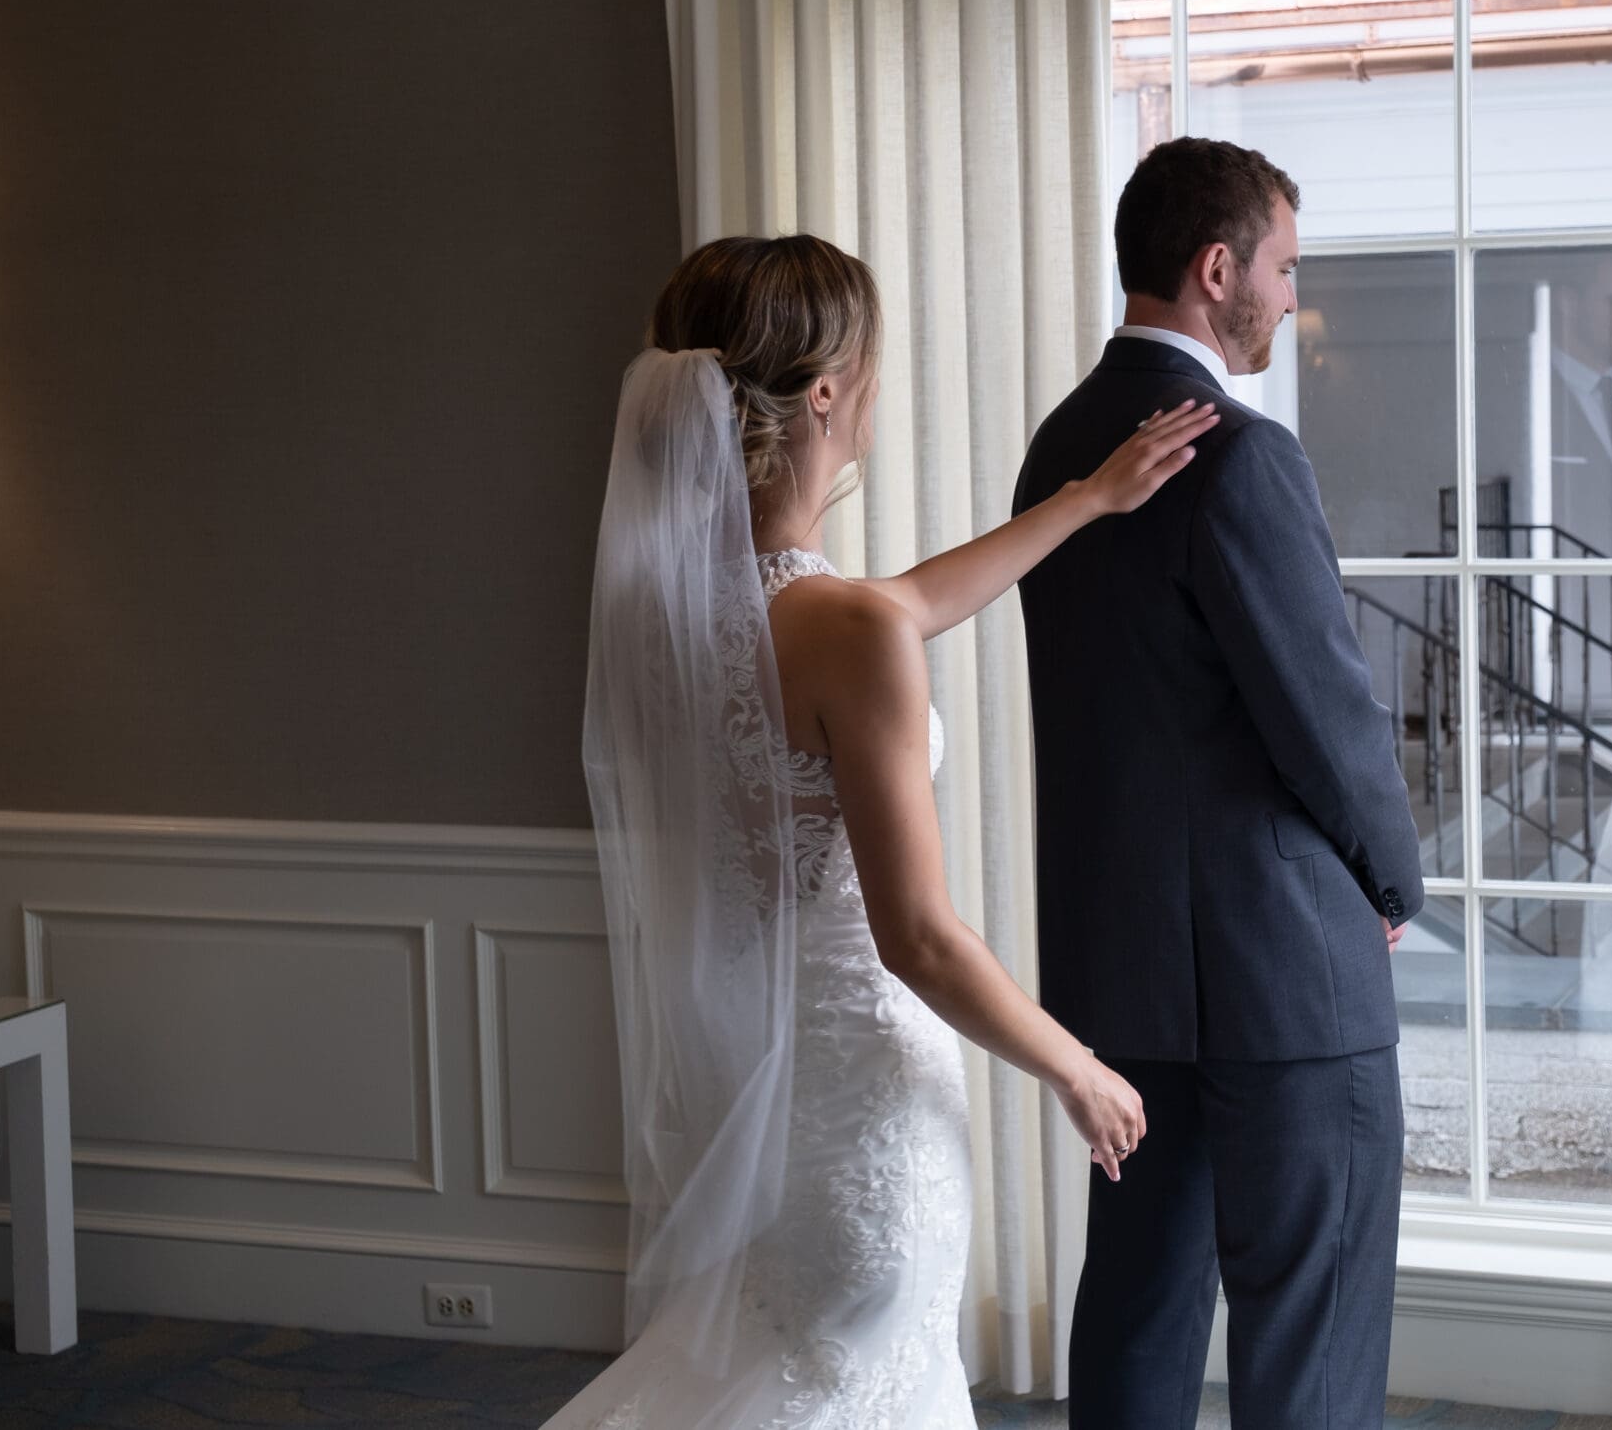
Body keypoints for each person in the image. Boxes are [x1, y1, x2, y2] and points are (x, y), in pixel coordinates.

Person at [552, 233, 1219, 1430]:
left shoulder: (672, 620)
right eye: (866, 365)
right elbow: (915, 933)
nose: (873, 389)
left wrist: (1084, 501)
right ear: (823, 394)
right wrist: (1074, 1068)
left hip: (756, 1106)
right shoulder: (842, 628)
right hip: (867, 1109)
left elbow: (899, 607)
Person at [1013, 137, 1425, 1429]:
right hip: (1283, 967)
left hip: (1122, 968)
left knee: (1136, 1309)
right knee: (1310, 1325)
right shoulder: (1239, 452)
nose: (1292, 296)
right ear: (1215, 266)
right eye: (1284, 266)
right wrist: (1395, 875)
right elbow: (1326, 711)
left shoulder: (1059, 449)